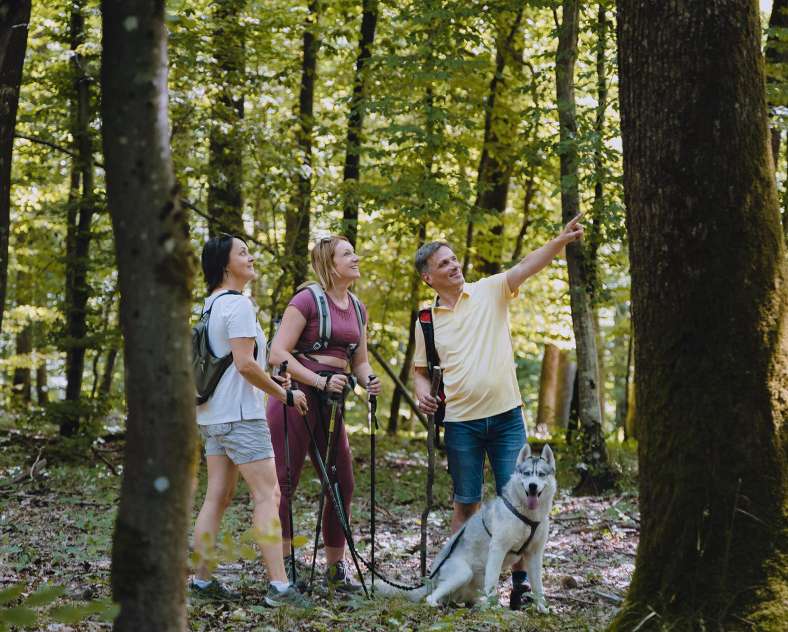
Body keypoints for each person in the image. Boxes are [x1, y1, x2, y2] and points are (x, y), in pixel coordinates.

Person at [412, 214, 584, 609]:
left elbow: (526, 266)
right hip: (460, 426)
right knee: (466, 505)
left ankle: (519, 589)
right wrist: (423, 395)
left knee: (527, 503)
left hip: (507, 418)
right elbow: (421, 373)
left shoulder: (489, 291)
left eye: (454, 259)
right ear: (428, 277)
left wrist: (559, 241)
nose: (454, 265)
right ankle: (457, 587)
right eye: (444, 264)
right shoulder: (426, 321)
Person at [190, 234, 311, 608]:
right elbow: (244, 364)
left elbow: (236, 363)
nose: (251, 256)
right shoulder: (238, 306)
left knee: (217, 497)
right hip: (241, 417)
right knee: (267, 494)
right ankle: (279, 587)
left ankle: (201, 581)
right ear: (226, 266)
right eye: (243, 253)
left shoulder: (210, 306)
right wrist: (285, 394)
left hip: (212, 416)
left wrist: (271, 381)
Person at [267, 235, 381, 592]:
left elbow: (358, 360)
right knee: (284, 482)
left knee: (341, 482)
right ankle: (283, 569)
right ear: (331, 265)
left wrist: (369, 379)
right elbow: (277, 353)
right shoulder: (307, 300)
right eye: (348, 254)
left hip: (332, 401)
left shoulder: (359, 308)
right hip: (296, 396)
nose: (356, 258)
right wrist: (317, 380)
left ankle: (336, 569)